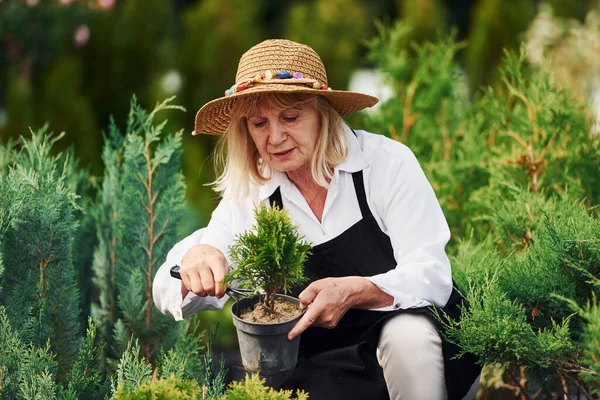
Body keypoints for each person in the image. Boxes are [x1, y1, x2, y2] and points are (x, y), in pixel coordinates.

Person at [153, 39, 481, 400]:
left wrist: (356, 290)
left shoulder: (384, 165)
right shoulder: (254, 196)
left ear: (323, 112)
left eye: (290, 118)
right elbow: (169, 286)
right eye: (259, 123)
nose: (274, 138)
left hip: (418, 355)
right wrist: (196, 259)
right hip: (327, 371)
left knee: (408, 336)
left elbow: (432, 274)